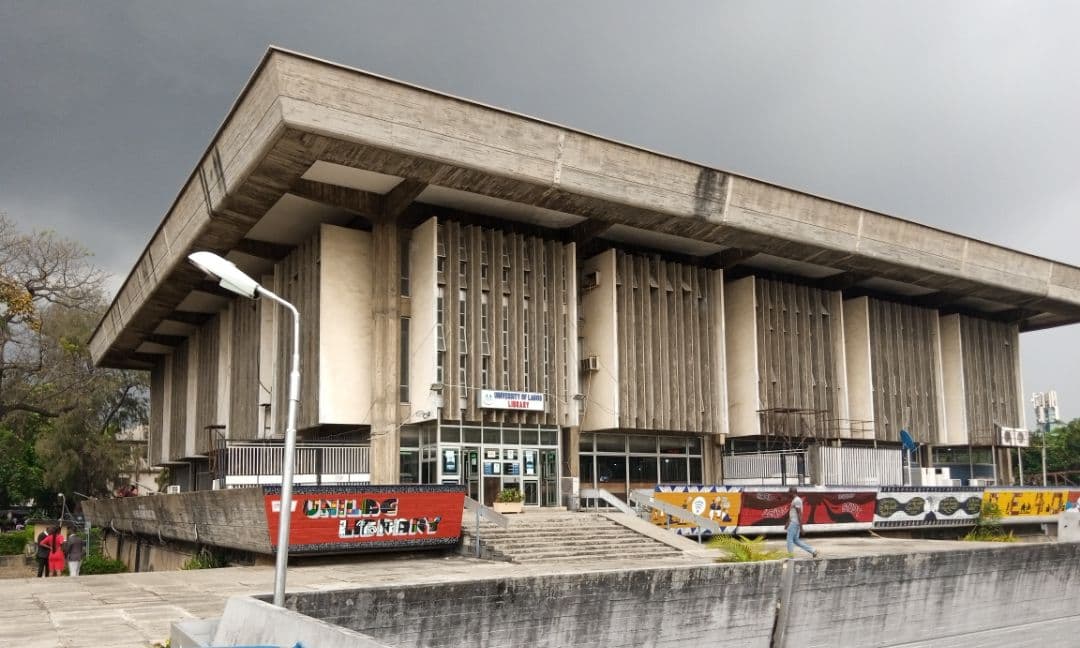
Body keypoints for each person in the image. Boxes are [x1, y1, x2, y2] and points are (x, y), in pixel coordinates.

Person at [785, 488, 818, 558]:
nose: (788, 494)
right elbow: (792, 513)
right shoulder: (795, 500)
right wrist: (787, 522)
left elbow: (799, 514)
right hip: (794, 523)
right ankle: (813, 550)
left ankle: (791, 557)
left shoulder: (797, 500)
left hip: (794, 523)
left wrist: (801, 527)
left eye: (789, 492)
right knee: (796, 540)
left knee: (789, 540)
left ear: (792, 492)